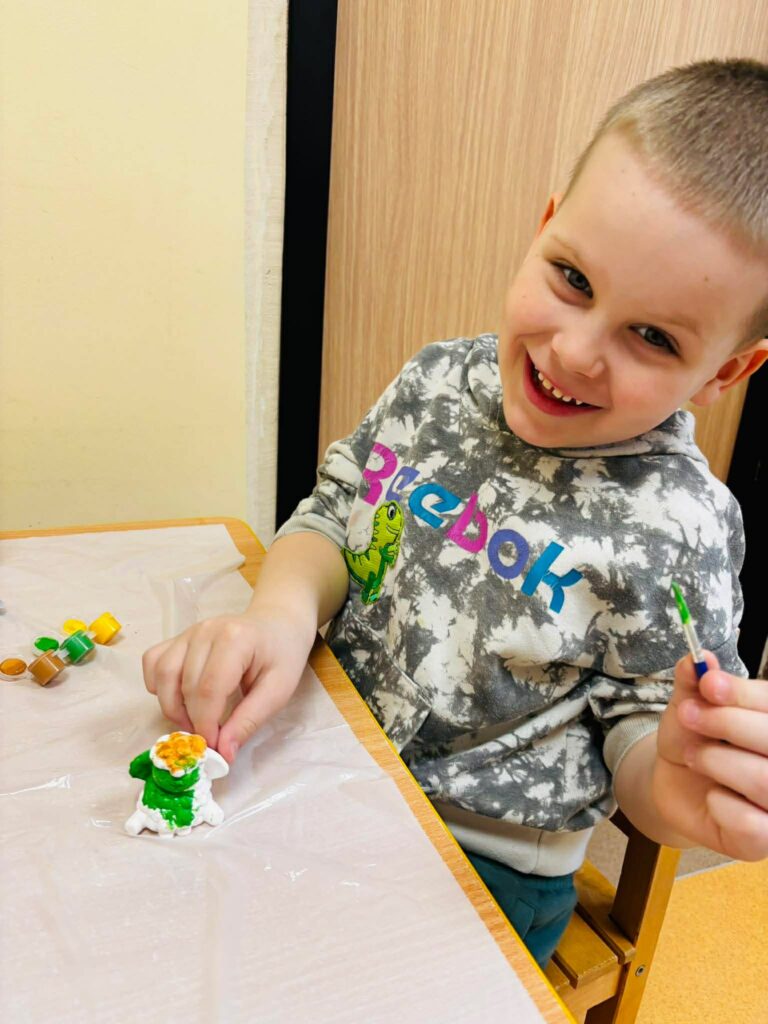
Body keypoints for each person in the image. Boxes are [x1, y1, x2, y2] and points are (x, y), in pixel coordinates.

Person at [143, 59, 768, 967]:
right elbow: (339, 511)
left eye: (653, 336)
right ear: (545, 227)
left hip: (483, 856)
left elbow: (644, 741)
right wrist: (278, 614)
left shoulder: (680, 531)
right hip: (324, 750)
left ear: (725, 373)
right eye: (572, 278)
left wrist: (673, 788)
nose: (575, 351)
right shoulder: (440, 379)